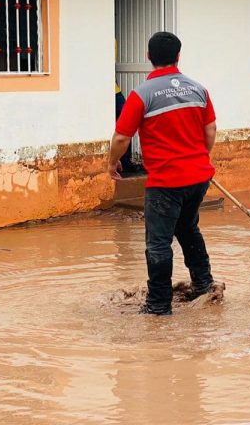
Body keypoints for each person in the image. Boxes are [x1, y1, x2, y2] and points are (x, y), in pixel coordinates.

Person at [108, 31, 217, 315]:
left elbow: (121, 138)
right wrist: (200, 158)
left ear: (148, 57)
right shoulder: (198, 89)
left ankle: (158, 305)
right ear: (178, 57)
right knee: (188, 229)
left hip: (166, 182)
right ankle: (204, 286)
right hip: (198, 178)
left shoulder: (142, 94)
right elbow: (210, 130)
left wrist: (112, 163)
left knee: (158, 243)